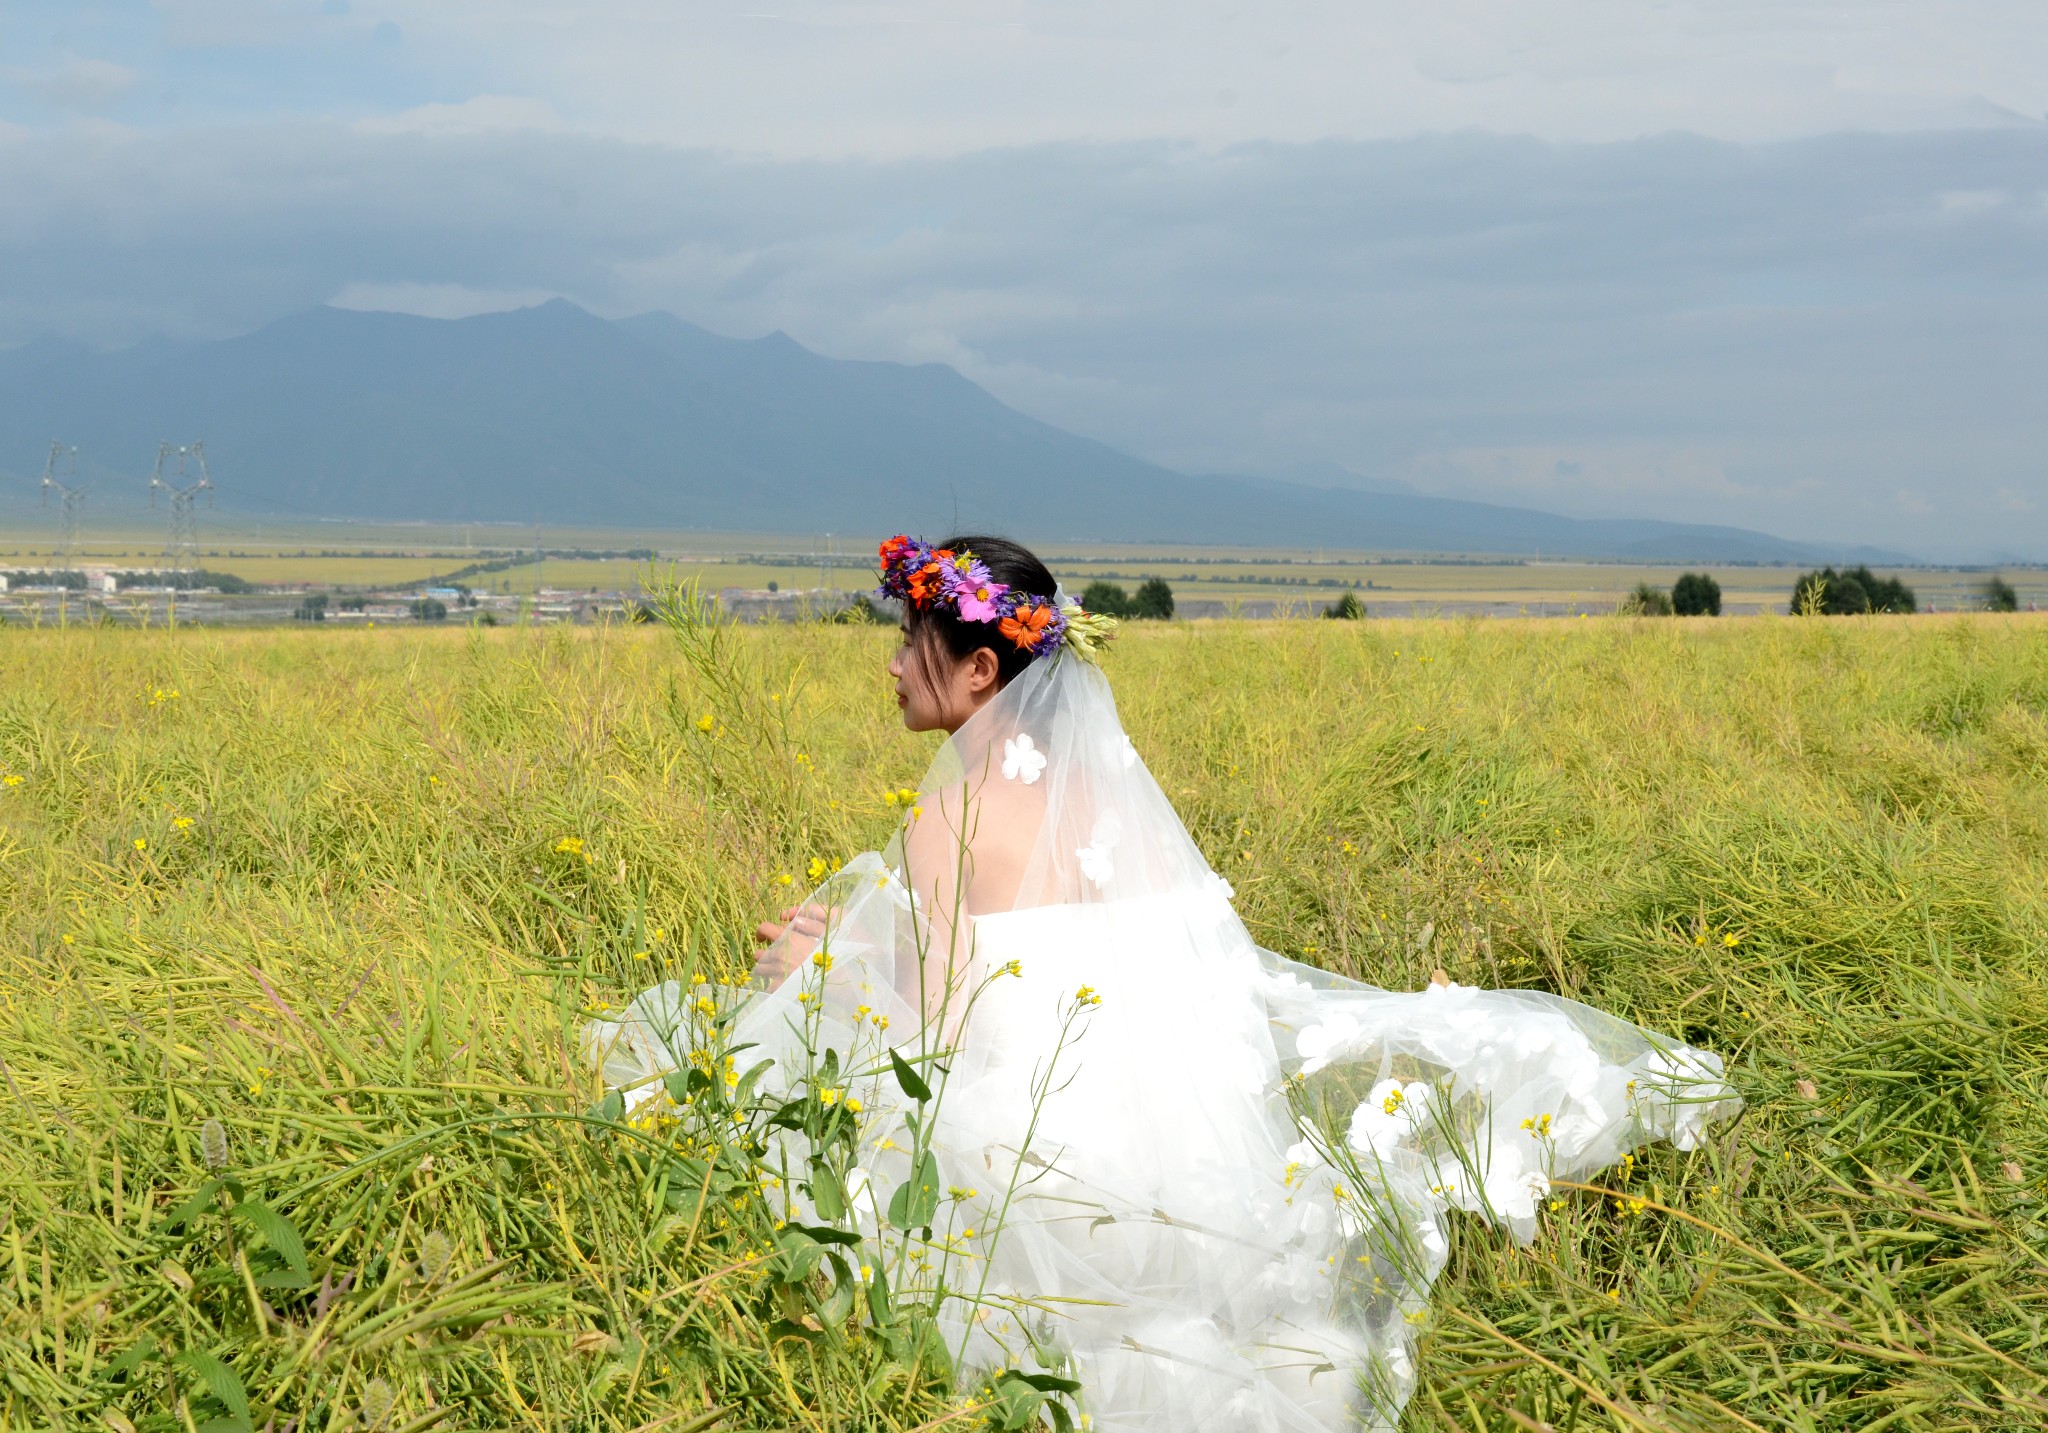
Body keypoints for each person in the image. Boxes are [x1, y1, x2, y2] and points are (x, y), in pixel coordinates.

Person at [592, 534, 1740, 1432]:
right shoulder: (1102, 798)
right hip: (1183, 1138)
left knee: (728, 1082)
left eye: (909, 642)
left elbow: (938, 1037)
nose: (890, 663)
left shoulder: (952, 813)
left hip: (1042, 1145)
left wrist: (812, 976)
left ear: (979, 667)